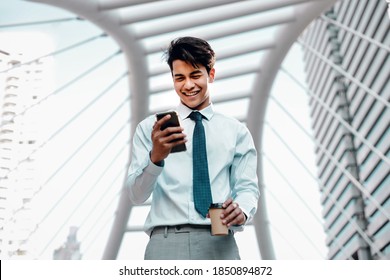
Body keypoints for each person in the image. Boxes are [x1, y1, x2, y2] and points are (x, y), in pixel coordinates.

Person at [127, 36, 260, 260]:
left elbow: (247, 188)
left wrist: (242, 210)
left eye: (195, 75)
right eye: (179, 78)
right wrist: (155, 158)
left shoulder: (236, 131)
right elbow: (136, 196)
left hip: (220, 241)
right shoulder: (151, 129)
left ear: (211, 75)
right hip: (165, 244)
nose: (188, 85)